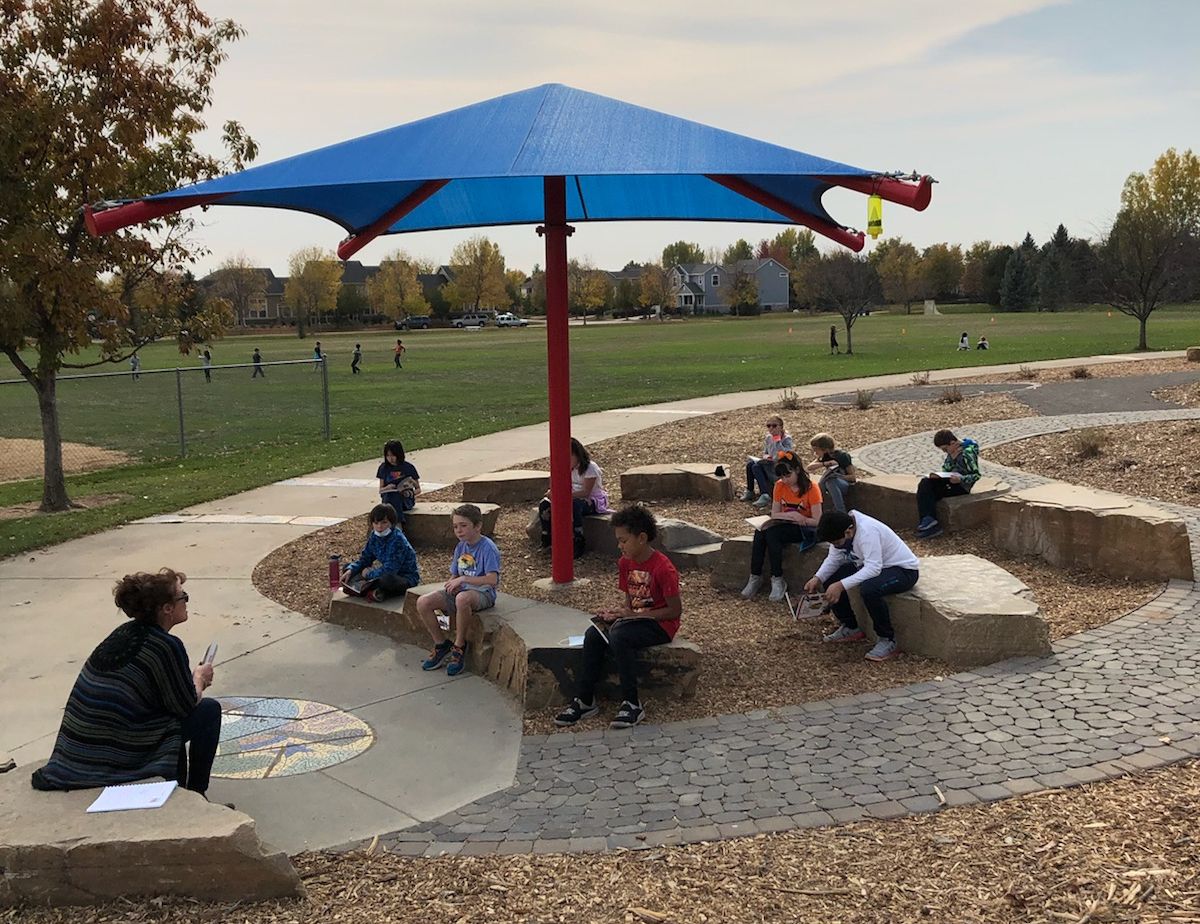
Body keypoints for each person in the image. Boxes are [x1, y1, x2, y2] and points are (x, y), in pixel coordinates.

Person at [31, 568, 222, 796]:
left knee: (168, 721)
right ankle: (197, 796)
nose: (187, 602)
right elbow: (185, 705)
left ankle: (181, 792)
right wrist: (199, 678)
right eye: (184, 597)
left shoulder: (124, 633)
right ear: (167, 609)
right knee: (209, 711)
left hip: (77, 751)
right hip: (116, 751)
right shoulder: (165, 646)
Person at [554, 505, 682, 730]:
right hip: (635, 620)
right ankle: (585, 700)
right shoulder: (625, 563)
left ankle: (632, 702)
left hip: (660, 625)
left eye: (623, 541)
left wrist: (633, 616)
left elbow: (674, 611)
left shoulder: (663, 568)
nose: (619, 546)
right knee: (594, 634)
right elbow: (630, 600)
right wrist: (618, 614)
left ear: (641, 538)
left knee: (620, 637)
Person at [805, 510, 919, 662]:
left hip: (902, 570)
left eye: (837, 543)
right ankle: (850, 626)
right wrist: (817, 577)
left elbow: (874, 568)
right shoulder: (841, 528)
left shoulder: (867, 532)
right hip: (869, 565)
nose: (837, 546)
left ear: (849, 531)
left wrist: (841, 585)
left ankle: (888, 640)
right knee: (831, 578)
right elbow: (834, 558)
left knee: (870, 589)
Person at [416, 504, 501, 678]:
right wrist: (451, 583)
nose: (459, 531)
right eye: (455, 526)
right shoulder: (461, 547)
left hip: (482, 593)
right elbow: (455, 574)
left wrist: (463, 580)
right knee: (423, 602)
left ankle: (459, 645)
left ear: (477, 526)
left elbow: (492, 580)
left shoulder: (488, 548)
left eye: (463, 526)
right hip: (461, 591)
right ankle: (441, 644)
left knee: (462, 599)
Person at [741, 451, 823, 603]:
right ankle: (755, 576)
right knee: (761, 532)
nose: (785, 480)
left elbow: (817, 520)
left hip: (805, 528)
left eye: (788, 475)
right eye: (782, 476)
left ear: (797, 470)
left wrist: (802, 518)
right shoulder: (779, 486)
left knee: (772, 534)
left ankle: (777, 578)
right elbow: (775, 513)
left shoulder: (812, 488)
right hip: (785, 523)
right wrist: (789, 516)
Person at [537, 437, 609, 558]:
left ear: (578, 455)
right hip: (567, 497)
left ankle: (578, 539)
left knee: (575, 505)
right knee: (544, 504)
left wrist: (563, 496)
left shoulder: (590, 468)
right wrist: (552, 492)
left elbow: (586, 492)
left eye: (569, 456)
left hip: (590, 500)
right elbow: (557, 485)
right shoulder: (564, 468)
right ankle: (547, 538)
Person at [340, 504, 420, 602]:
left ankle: (370, 590)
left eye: (384, 523)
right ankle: (369, 590)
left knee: (387, 580)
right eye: (376, 523)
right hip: (381, 573)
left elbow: (390, 569)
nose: (379, 527)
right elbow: (365, 558)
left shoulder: (398, 540)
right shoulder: (374, 536)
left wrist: (369, 574)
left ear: (392, 523)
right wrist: (351, 569)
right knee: (347, 569)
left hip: (403, 577)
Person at [916, 429, 981, 538]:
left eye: (945, 449)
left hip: (961, 486)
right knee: (925, 484)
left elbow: (976, 475)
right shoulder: (952, 452)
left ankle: (929, 523)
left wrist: (961, 479)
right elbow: (946, 469)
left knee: (928, 490)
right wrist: (951, 460)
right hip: (949, 481)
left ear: (953, 443)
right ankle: (928, 521)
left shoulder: (968, 453)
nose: (945, 452)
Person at [741, 416, 794, 508]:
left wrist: (777, 441)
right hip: (769, 463)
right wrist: (767, 457)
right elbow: (765, 452)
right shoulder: (768, 438)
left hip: (780, 466)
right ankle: (750, 490)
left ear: (781, 427)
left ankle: (765, 494)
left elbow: (786, 455)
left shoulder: (787, 439)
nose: (771, 428)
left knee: (756, 467)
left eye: (774, 426)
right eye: (768, 426)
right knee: (750, 464)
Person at [806, 433, 857, 513]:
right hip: (828, 485)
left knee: (831, 481)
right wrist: (826, 463)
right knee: (824, 482)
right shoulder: (825, 457)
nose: (815, 453)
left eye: (816, 450)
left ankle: (841, 511)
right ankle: (821, 508)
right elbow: (809, 468)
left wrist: (838, 476)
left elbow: (852, 477)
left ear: (825, 449)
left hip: (844, 485)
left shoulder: (842, 456)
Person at [376, 439, 421, 522]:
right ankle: (398, 523)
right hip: (388, 499)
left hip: (405, 500)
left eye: (393, 455)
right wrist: (387, 488)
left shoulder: (408, 467)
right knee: (392, 496)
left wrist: (410, 491)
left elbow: (418, 489)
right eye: (388, 456)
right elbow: (380, 490)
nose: (390, 458)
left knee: (395, 498)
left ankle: (396, 524)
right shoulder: (383, 468)